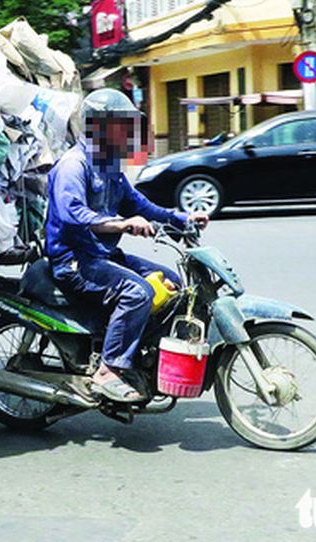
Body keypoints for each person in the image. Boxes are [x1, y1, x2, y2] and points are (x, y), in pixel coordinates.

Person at [44, 88, 209, 403]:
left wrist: (184, 219)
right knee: (138, 292)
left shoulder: (108, 165)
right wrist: (122, 224)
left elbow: (141, 205)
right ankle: (109, 369)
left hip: (103, 254)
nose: (126, 133)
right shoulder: (73, 165)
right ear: (98, 127)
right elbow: (73, 214)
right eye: (120, 126)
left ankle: (141, 353)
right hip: (74, 259)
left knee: (172, 282)